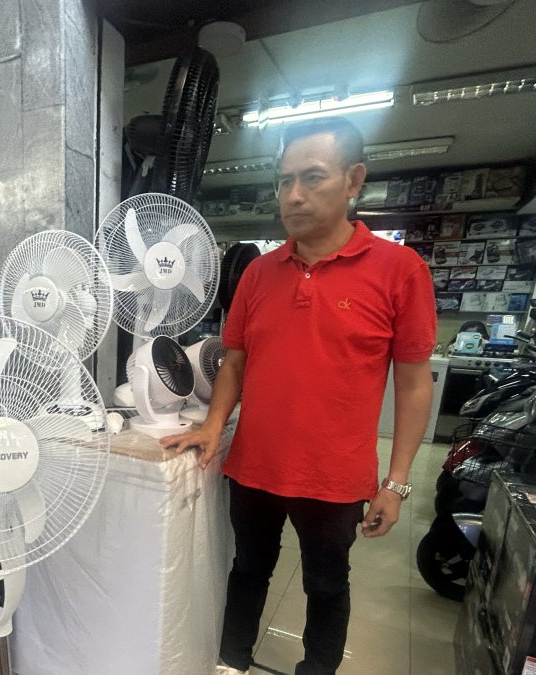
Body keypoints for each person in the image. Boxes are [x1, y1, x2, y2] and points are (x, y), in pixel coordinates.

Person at [161, 117, 437, 675]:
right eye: (284, 181)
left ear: (354, 180)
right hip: (255, 466)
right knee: (249, 570)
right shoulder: (259, 274)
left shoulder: (398, 270)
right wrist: (214, 426)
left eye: (312, 178)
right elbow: (234, 360)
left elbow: (412, 382)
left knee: (326, 584)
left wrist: (397, 482)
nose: (293, 195)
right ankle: (230, 663)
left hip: (333, 477)